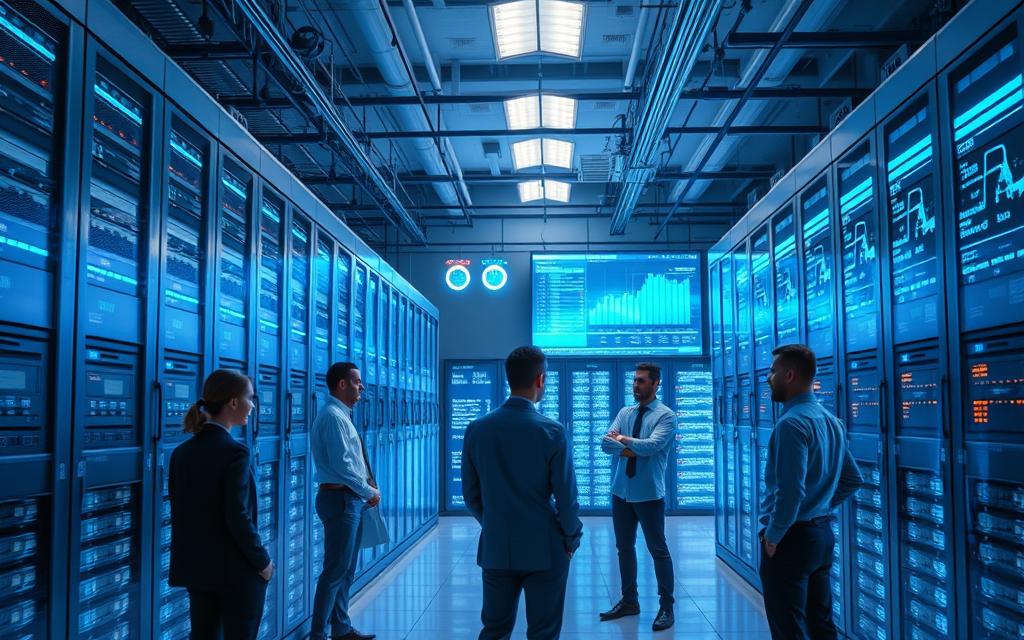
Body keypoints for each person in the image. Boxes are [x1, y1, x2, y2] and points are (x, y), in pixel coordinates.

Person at [461, 346, 583, 640]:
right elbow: (566, 498)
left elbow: (471, 494)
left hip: (497, 546)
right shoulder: (552, 432)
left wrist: (494, 522)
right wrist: (571, 537)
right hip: (545, 547)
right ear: (540, 380)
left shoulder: (477, 429)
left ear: (509, 378)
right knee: (543, 632)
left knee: (495, 629)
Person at [759, 344, 864, 640]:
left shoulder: (791, 424)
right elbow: (853, 479)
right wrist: (820, 505)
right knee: (821, 624)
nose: (768, 378)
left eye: (773, 371)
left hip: (791, 540)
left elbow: (790, 493)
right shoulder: (832, 421)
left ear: (789, 375)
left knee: (788, 628)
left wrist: (773, 536)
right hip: (820, 537)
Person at [168, 368, 274, 640]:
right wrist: (262, 562)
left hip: (198, 571)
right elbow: (238, 515)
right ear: (233, 402)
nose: (253, 406)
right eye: (250, 398)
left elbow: (182, 514)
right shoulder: (235, 452)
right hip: (236, 572)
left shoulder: (181, 453)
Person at [599, 363, 677, 632]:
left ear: (656, 384)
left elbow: (653, 446)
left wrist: (622, 439)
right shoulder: (625, 412)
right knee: (624, 547)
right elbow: (605, 443)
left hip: (649, 495)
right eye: (634, 380)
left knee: (658, 550)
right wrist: (632, 449)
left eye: (642, 381)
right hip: (621, 492)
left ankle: (667, 607)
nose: (636, 385)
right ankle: (629, 601)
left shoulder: (666, 416)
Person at [309, 362, 379, 640]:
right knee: (335, 570)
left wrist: (365, 488)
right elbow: (343, 467)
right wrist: (368, 491)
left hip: (349, 499)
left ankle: (341, 628)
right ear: (341, 384)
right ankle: (318, 633)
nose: (361, 386)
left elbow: (351, 463)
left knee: (346, 569)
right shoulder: (333, 417)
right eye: (356, 381)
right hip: (340, 499)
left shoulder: (341, 415)